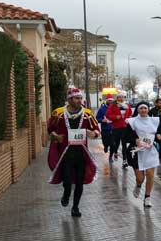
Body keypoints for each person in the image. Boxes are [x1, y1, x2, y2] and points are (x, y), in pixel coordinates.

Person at [47, 88, 100, 217]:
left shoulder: (87, 114)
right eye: (76, 98)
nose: (79, 101)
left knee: (80, 182)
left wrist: (93, 133)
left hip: (81, 154)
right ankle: (66, 194)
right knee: (67, 181)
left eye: (80, 98)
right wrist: (55, 136)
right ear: (69, 99)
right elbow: (50, 129)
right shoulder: (58, 113)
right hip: (65, 154)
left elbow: (96, 129)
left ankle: (75, 207)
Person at [126, 102, 161, 207]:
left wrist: (160, 134)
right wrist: (135, 140)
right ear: (137, 110)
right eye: (141, 108)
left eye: (145, 108)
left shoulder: (155, 120)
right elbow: (126, 135)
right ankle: (138, 185)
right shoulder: (132, 121)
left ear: (148, 110)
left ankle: (147, 197)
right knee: (140, 178)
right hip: (136, 151)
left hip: (150, 150)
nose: (143, 110)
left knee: (150, 175)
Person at [106, 92, 132, 165]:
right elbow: (108, 115)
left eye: (122, 97)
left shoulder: (127, 105)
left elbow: (130, 113)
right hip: (116, 127)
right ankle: (115, 152)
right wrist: (115, 117)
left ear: (124, 98)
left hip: (125, 127)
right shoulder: (113, 105)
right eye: (119, 97)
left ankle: (125, 160)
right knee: (116, 144)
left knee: (124, 144)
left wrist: (128, 118)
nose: (121, 98)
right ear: (117, 98)